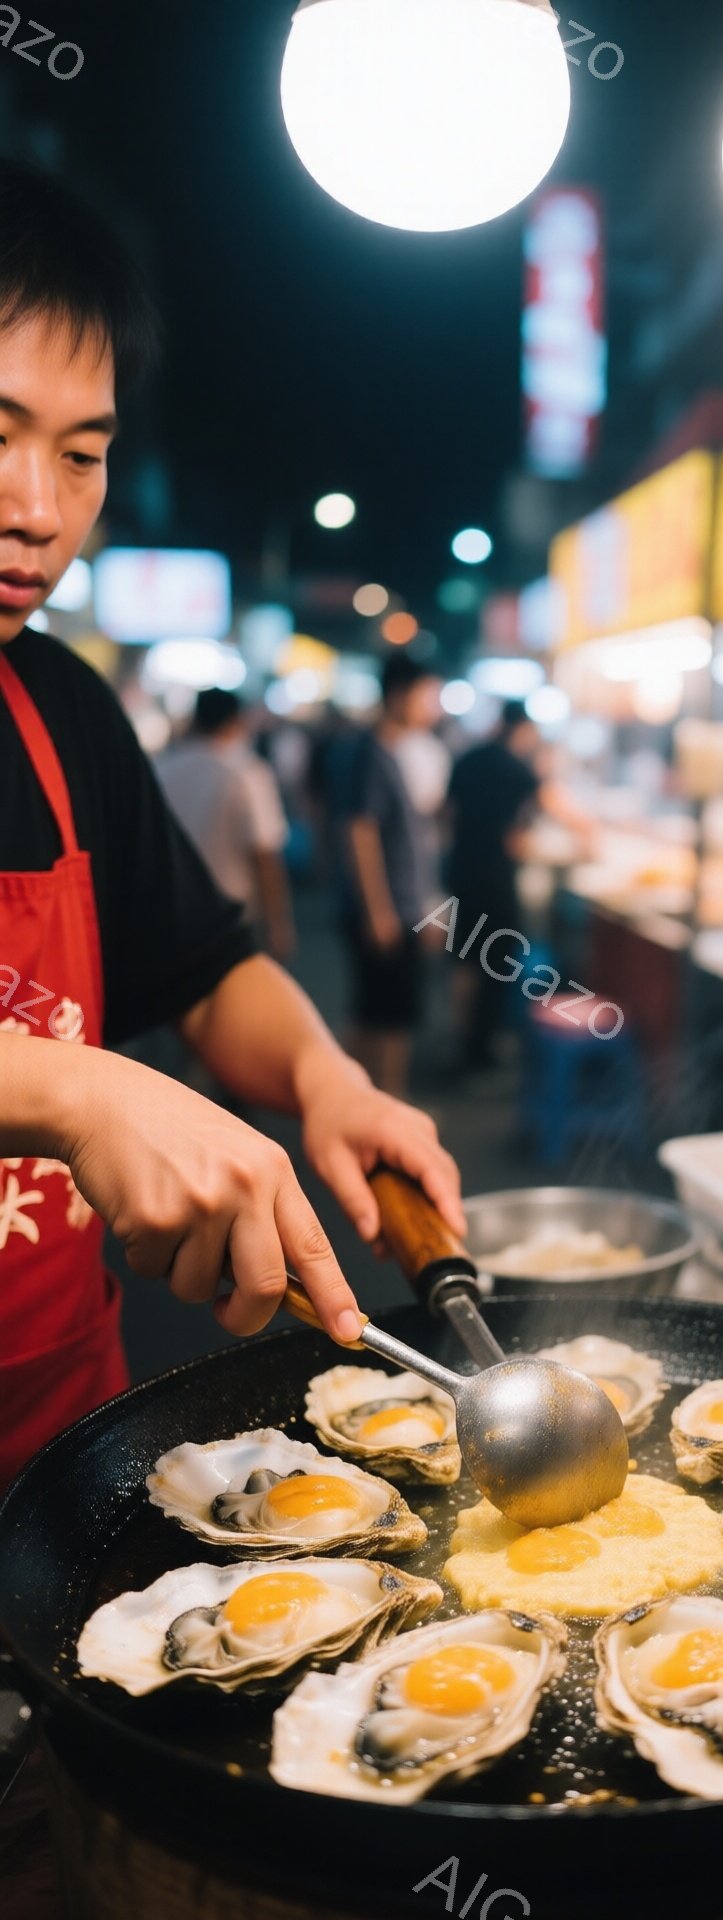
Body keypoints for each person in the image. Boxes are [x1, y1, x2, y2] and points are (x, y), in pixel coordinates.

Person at [0, 158, 464, 1498]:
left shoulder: (59, 707)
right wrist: (72, 1090)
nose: (38, 509)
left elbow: (202, 972)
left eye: (81, 455)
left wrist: (325, 1077)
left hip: (54, 1447)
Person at [338, 654, 442, 1099]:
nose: (433, 706)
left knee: (376, 1013)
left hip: (400, 907)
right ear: (399, 695)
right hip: (388, 911)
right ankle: (385, 1100)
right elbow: (360, 831)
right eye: (427, 695)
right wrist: (378, 910)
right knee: (389, 1017)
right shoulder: (373, 753)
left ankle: (357, 1101)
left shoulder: (389, 751)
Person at [156, 688, 296, 963]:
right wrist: (278, 923)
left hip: (172, 909)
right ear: (235, 721)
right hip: (233, 912)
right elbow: (265, 853)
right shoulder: (248, 772)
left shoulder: (164, 769)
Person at [445, 702, 544, 1068]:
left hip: (461, 873)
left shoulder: (468, 759)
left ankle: (460, 1038)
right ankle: (481, 1049)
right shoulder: (517, 769)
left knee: (464, 958)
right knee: (497, 963)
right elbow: (521, 832)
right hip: (496, 881)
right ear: (522, 729)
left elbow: (447, 813)